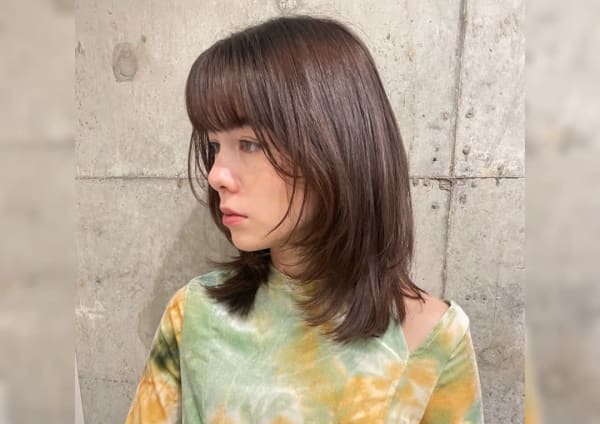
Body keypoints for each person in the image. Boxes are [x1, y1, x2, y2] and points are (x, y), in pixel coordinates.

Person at [125, 14, 484, 423]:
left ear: (335, 144)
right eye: (213, 146)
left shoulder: (431, 338)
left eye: (249, 143)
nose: (216, 175)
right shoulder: (195, 314)